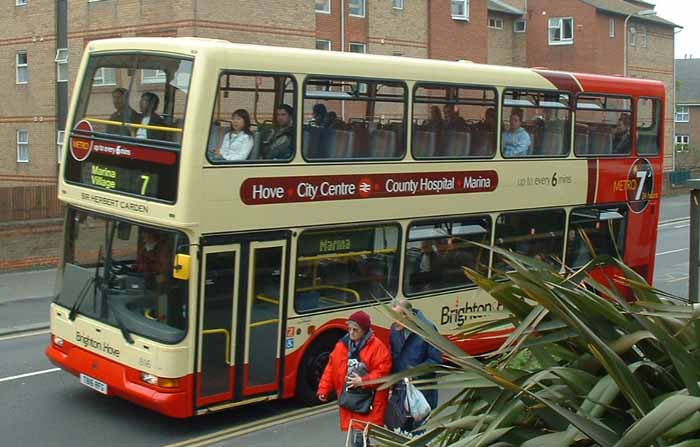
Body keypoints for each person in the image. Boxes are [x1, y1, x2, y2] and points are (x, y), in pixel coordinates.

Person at [317, 311, 392, 447]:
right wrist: (323, 389)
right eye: (349, 329)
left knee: (358, 438)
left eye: (355, 329)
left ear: (364, 330)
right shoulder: (342, 346)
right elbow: (331, 368)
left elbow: (383, 372)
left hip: (368, 402)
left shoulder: (377, 347)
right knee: (358, 437)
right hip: (350, 400)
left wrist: (363, 381)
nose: (351, 332)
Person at [389, 299, 443, 431]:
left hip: (422, 395)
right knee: (401, 435)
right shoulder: (394, 330)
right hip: (401, 394)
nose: (393, 321)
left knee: (418, 435)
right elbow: (394, 359)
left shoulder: (428, 329)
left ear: (407, 316)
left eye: (396, 316)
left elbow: (436, 361)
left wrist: (415, 373)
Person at [135, 229, 172, 322]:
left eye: (145, 233)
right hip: (145, 278)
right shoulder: (144, 246)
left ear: (152, 235)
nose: (142, 236)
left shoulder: (162, 249)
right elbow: (139, 261)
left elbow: (163, 267)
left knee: (160, 299)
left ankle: (162, 318)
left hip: (158, 280)